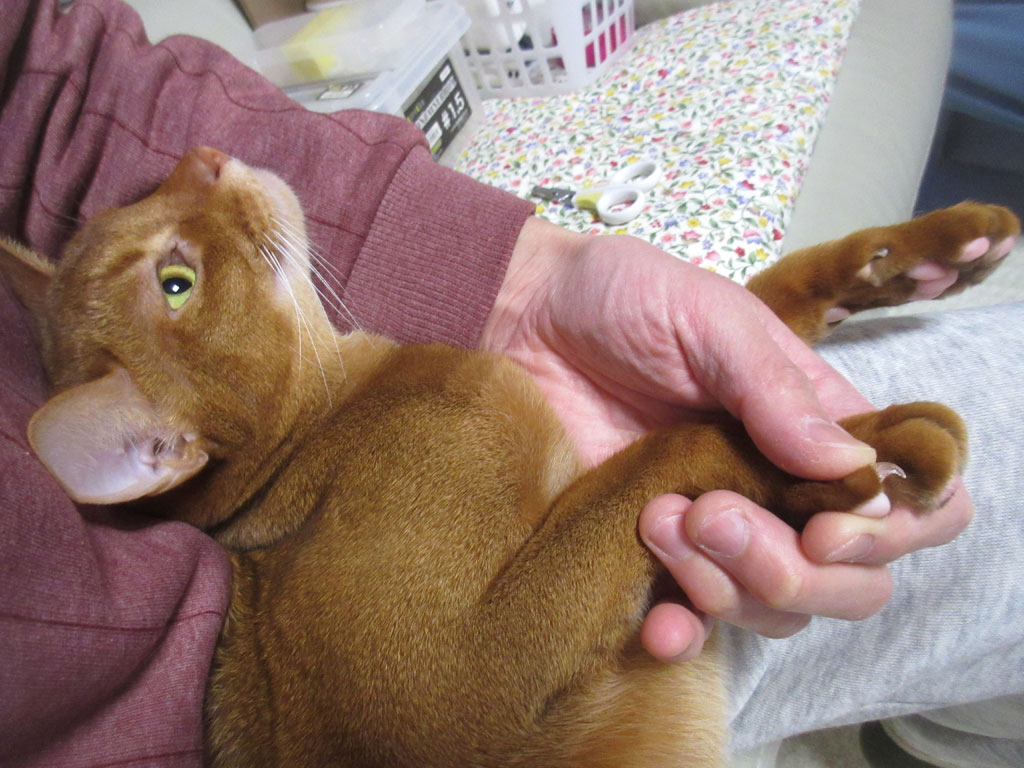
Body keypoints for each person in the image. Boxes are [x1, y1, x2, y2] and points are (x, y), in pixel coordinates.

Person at [0, 0, 1018, 766]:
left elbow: (35, 63)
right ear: (162, 443)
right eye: (177, 277)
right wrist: (716, 454)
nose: (203, 168)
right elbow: (489, 672)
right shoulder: (313, 534)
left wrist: (776, 303)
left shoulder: (371, 415)